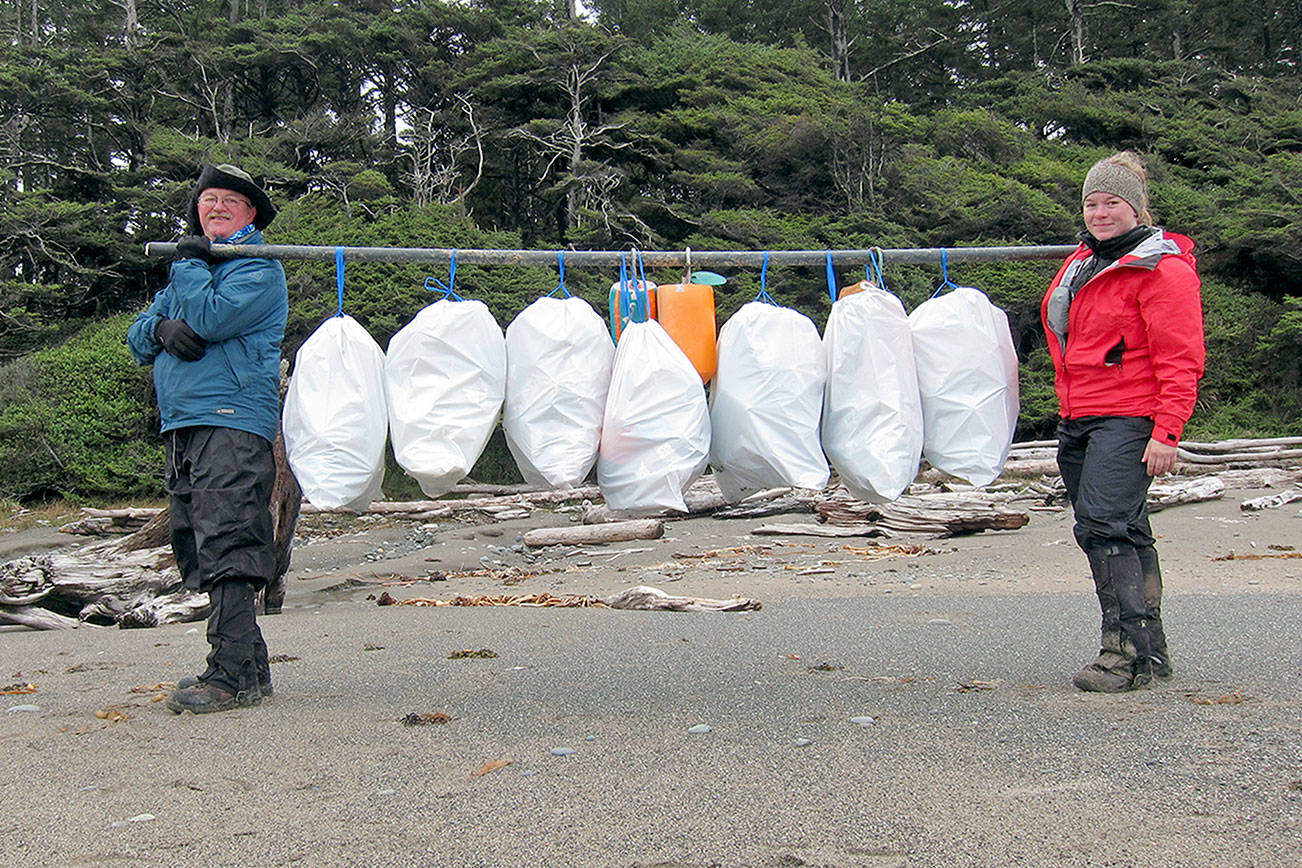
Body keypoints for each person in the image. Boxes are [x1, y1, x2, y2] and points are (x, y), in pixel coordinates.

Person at [1041, 151, 1206, 693]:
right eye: (1091, 203)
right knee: (1126, 528)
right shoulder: (1080, 263)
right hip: (1078, 414)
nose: (1100, 212)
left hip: (1128, 415)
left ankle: (1123, 653)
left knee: (1103, 526)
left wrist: (1167, 432)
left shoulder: (1162, 269)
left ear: (1135, 208)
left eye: (1112, 202)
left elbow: (1181, 356)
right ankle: (1151, 654)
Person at [127, 164, 288, 714]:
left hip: (232, 418)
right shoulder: (190, 271)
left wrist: (189, 269)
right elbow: (138, 337)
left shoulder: (258, 269)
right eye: (207, 200)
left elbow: (208, 317)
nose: (215, 208)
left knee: (230, 536)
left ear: (250, 215)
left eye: (229, 202)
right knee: (198, 540)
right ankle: (251, 667)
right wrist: (158, 328)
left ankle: (229, 676)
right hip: (184, 423)